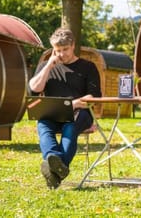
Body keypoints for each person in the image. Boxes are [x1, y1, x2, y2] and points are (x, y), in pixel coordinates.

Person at [29, 28, 101, 189]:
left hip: (80, 112)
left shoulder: (88, 67)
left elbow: (94, 96)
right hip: (53, 114)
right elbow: (33, 89)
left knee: (70, 127)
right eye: (58, 50)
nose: (62, 54)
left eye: (65, 49)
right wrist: (48, 66)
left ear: (73, 45)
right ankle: (55, 163)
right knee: (43, 125)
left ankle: (53, 167)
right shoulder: (45, 66)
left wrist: (73, 104)